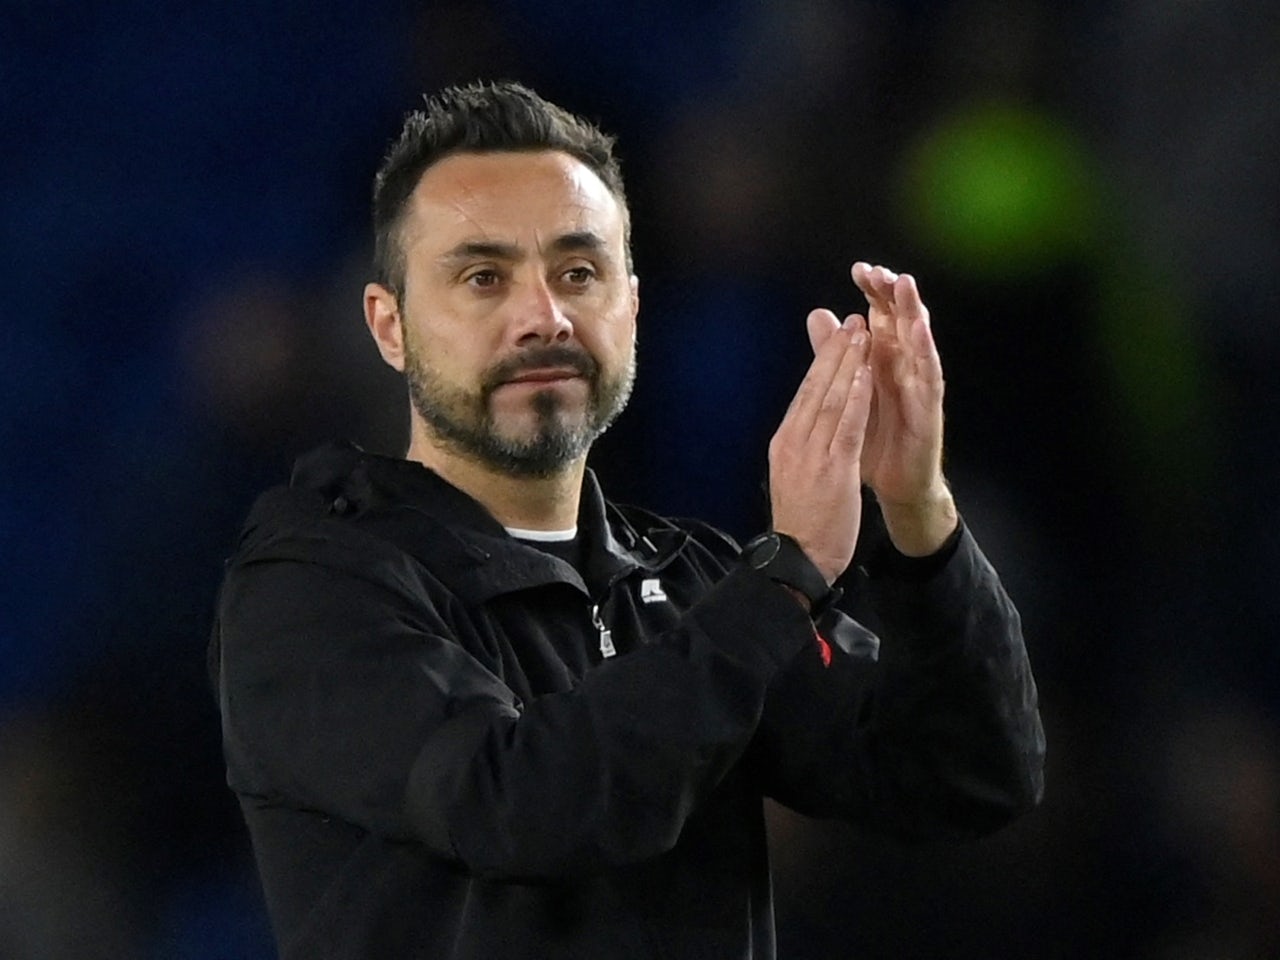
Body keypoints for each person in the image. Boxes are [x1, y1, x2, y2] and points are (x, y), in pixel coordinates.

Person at [209, 80, 1044, 960]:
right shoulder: (314, 590)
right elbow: (519, 806)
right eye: (483, 277)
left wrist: (917, 508)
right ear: (391, 327)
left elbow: (966, 777)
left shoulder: (690, 585)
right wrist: (785, 575)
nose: (544, 317)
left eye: (579, 272)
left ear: (633, 308)